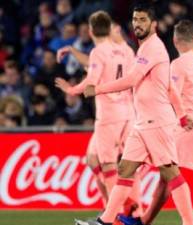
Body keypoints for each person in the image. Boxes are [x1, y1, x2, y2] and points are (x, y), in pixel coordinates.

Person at [81, 4, 193, 225]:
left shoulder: (153, 47)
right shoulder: (144, 48)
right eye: (135, 19)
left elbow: (132, 79)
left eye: (143, 20)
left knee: (170, 173)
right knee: (125, 169)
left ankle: (191, 223)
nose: (137, 24)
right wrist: (182, 116)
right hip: (143, 122)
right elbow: (170, 88)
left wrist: (98, 88)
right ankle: (105, 221)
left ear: (153, 24)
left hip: (156, 122)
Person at [120, 19, 193, 225]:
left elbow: (173, 95)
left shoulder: (178, 64)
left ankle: (151, 221)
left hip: (188, 123)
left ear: (174, 40)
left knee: (168, 174)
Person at [55, 11, 138, 215]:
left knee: (108, 164)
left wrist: (72, 89)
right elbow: (97, 64)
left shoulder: (100, 52)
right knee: (93, 159)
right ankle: (121, 207)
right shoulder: (125, 50)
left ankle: (117, 213)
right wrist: (73, 51)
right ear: (110, 29)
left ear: (91, 30)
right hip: (127, 112)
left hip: (108, 115)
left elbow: (92, 79)